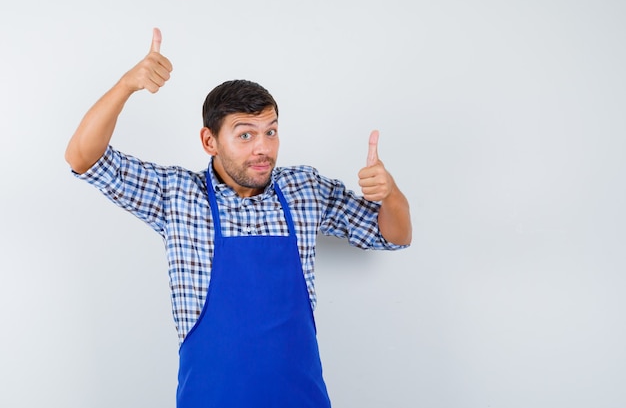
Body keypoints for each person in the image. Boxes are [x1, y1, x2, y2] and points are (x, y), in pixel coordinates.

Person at [65, 28, 412, 408]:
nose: (263, 148)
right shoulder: (177, 195)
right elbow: (83, 158)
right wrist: (127, 84)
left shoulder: (305, 189)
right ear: (209, 141)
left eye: (271, 131)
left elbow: (394, 235)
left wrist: (390, 193)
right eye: (245, 135)